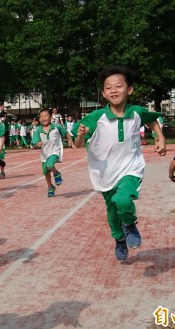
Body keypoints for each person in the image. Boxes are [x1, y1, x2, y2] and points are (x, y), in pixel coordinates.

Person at [73, 66, 166, 262]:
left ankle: (130, 225)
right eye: (108, 87)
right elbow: (78, 145)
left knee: (123, 200)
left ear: (129, 90)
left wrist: (161, 138)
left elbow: (153, 120)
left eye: (118, 86)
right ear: (103, 93)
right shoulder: (96, 117)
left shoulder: (137, 112)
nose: (113, 90)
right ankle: (119, 239)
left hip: (131, 168)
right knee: (113, 210)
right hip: (104, 172)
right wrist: (81, 135)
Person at [32, 108, 67, 197]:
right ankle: (50, 187)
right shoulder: (38, 130)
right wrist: (37, 144)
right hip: (44, 154)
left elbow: (66, 133)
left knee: (50, 165)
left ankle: (56, 173)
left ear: (50, 117)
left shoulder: (56, 127)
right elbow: (34, 143)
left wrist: (73, 143)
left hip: (54, 151)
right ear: (39, 119)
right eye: (41, 117)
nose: (43, 118)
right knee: (46, 173)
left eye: (45, 116)